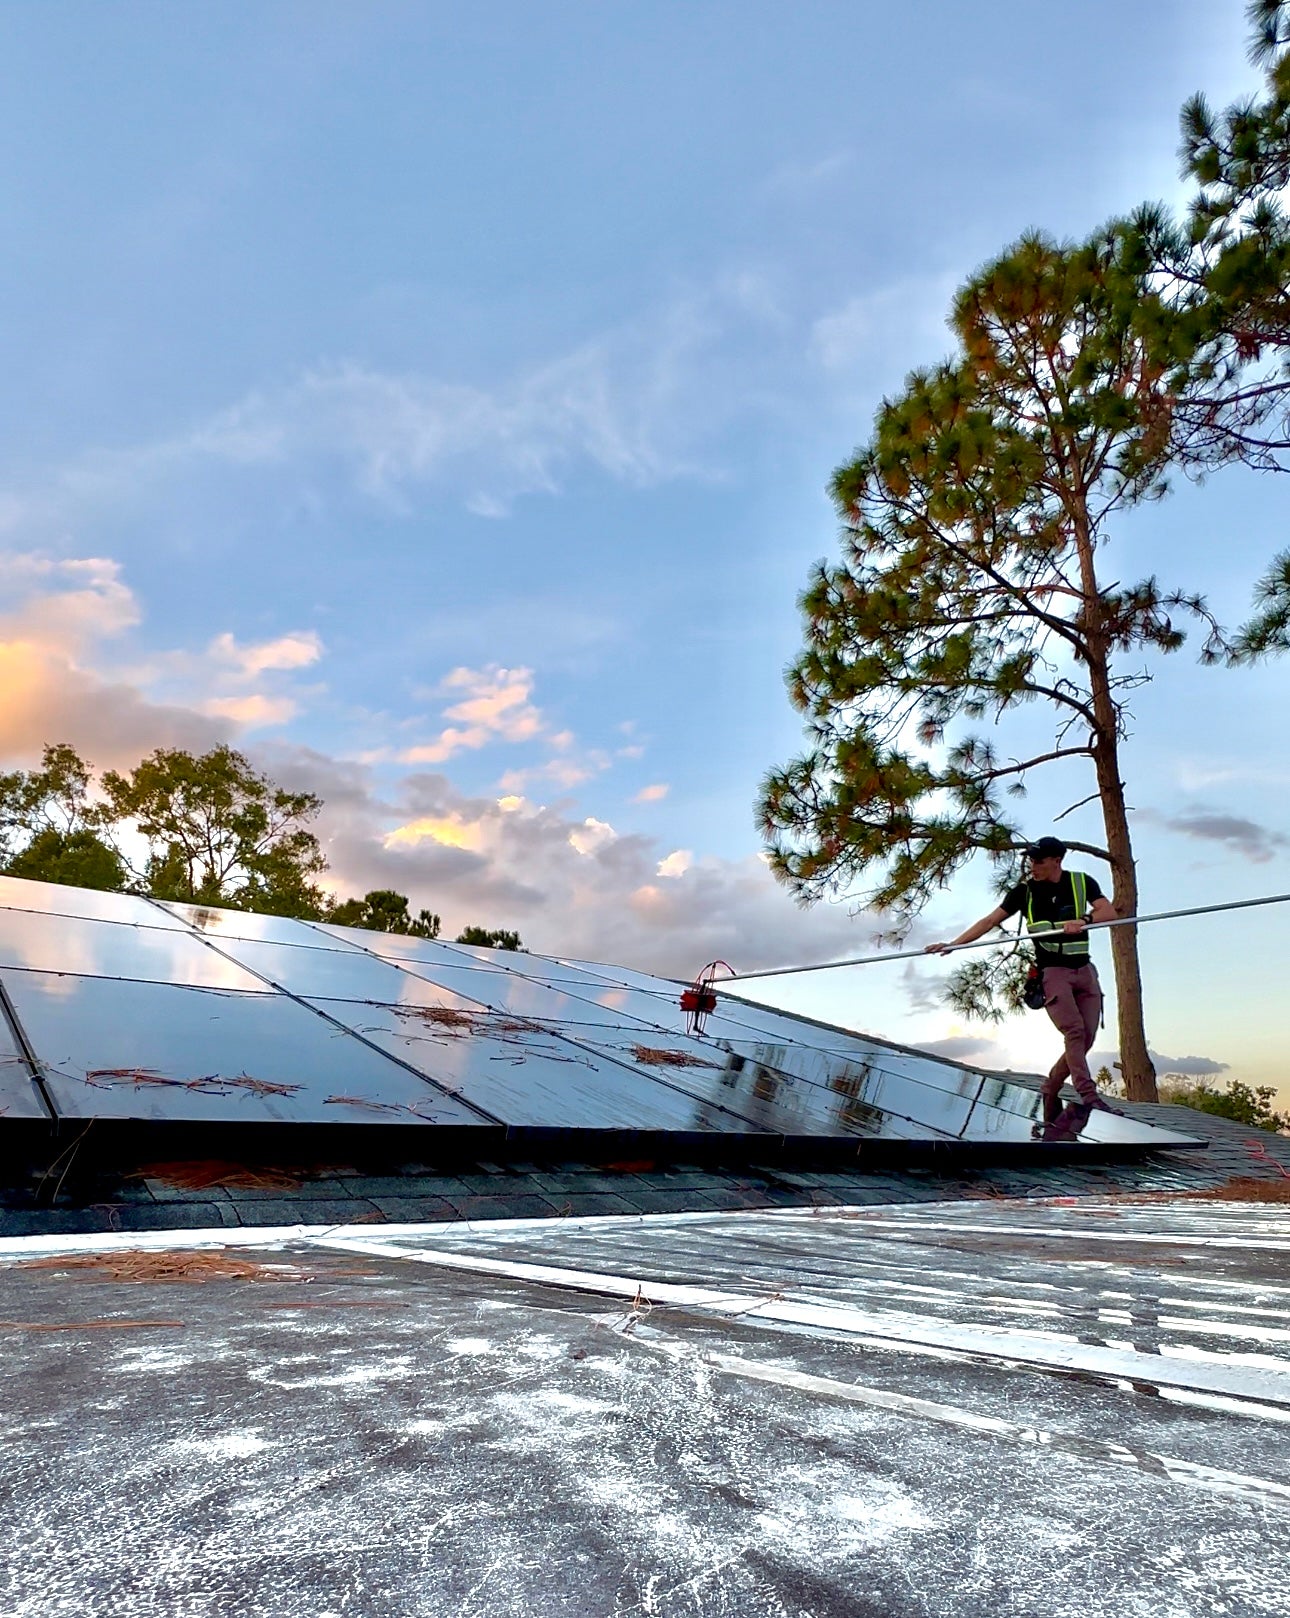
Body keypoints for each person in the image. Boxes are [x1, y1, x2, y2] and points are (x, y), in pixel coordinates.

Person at [924, 836, 1121, 1140]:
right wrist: (953, 944)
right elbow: (989, 921)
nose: (1033, 866)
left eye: (1039, 861)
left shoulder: (1082, 882)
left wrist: (1083, 919)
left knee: (1087, 1037)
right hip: (1053, 972)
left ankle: (1051, 1086)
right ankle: (1089, 1095)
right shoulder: (1024, 892)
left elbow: (1109, 912)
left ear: (1057, 861)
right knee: (1074, 1031)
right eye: (1031, 860)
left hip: (1084, 971)